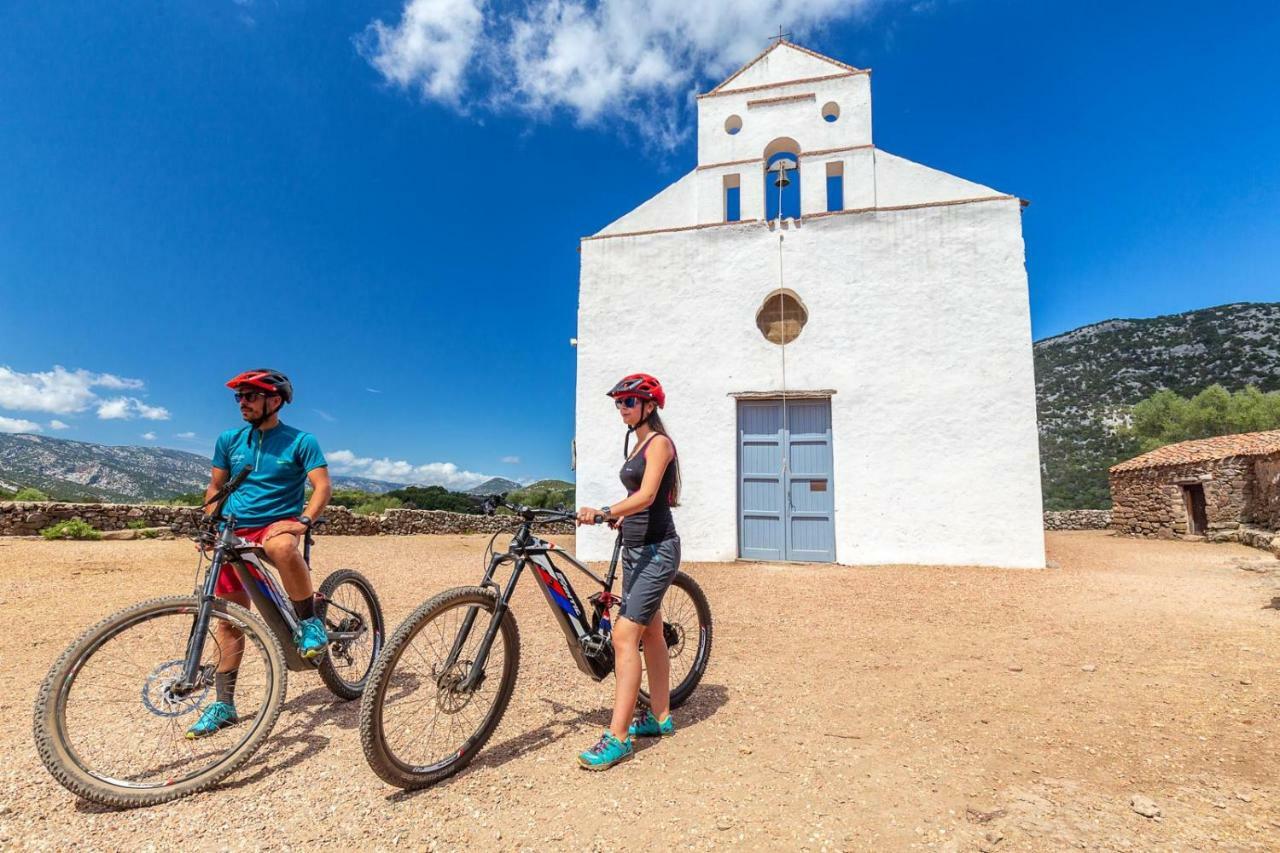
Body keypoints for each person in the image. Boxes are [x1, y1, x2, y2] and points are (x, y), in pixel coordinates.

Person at [186, 368, 332, 738]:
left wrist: (303, 521)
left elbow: (322, 487)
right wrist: (210, 523)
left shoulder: (302, 441)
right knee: (228, 618)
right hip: (233, 526)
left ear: (275, 399)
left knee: (281, 545)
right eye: (239, 397)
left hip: (277, 523)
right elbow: (216, 486)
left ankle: (309, 620)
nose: (242, 403)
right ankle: (224, 705)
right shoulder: (229, 439)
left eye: (250, 396)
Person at [575, 373, 682, 770]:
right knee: (650, 632)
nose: (621, 408)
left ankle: (617, 738)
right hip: (636, 549)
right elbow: (637, 499)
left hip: (658, 551)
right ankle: (660, 717)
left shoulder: (659, 444)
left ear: (648, 406)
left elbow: (649, 495)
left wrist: (605, 512)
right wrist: (621, 517)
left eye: (629, 402)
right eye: (618, 402)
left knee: (623, 637)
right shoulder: (638, 443)